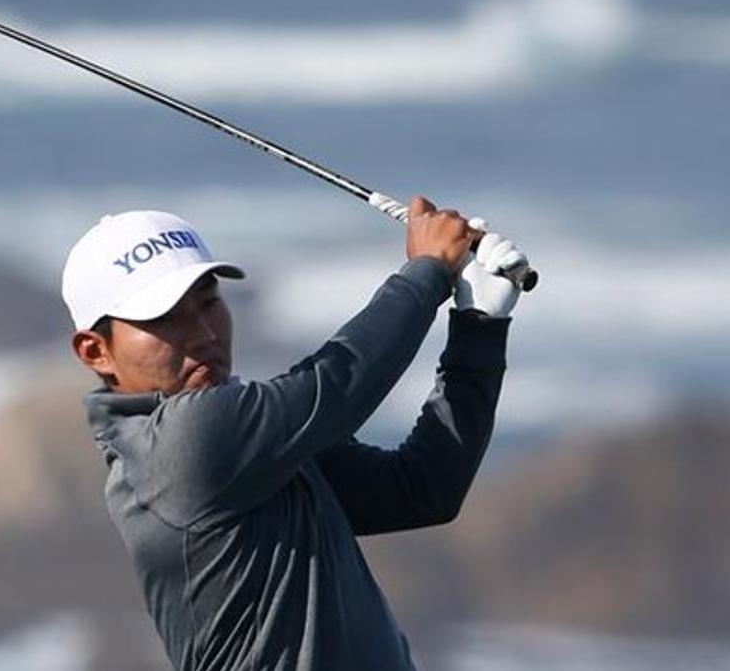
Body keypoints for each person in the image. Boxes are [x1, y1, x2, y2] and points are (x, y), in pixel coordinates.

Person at [61, 196, 528, 671]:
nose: (203, 333)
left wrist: (479, 328)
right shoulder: (184, 445)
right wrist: (428, 270)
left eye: (208, 303)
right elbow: (339, 383)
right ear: (95, 352)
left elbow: (423, 489)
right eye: (165, 318)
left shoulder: (252, 448)